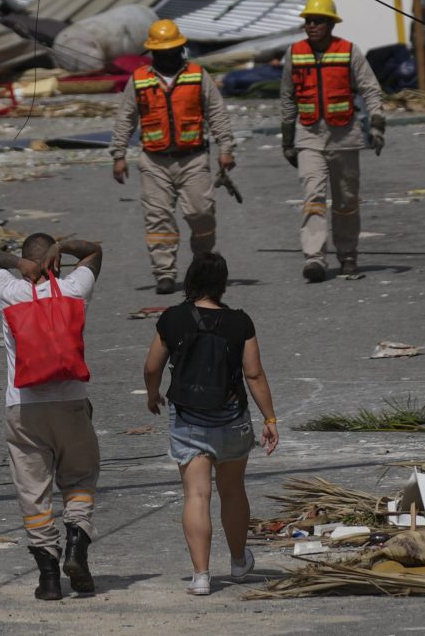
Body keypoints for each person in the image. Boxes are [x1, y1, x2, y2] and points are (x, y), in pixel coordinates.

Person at [143, 252, 279, 594]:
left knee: (197, 494)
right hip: (232, 417)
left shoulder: (172, 319)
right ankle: (237, 562)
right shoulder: (239, 322)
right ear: (222, 285)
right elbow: (254, 373)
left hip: (188, 418)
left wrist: (152, 393)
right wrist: (270, 418)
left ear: (189, 280)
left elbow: (151, 367)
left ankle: (201, 577)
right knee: (232, 491)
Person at [0, 231, 105, 600]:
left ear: (24, 263)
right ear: (55, 262)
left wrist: (17, 264)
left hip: (23, 406)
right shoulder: (73, 289)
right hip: (71, 401)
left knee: (33, 492)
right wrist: (65, 246)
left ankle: (49, 578)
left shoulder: (9, 291)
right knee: (80, 477)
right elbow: (95, 250)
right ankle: (75, 545)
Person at [112, 18, 234, 295]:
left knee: (202, 213)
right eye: (161, 51)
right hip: (154, 161)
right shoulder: (140, 79)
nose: (167, 56)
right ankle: (164, 273)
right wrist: (118, 155)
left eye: (171, 50)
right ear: (153, 52)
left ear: (180, 49)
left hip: (193, 158)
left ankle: (202, 266)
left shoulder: (197, 75)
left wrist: (225, 149)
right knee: (158, 218)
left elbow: (217, 112)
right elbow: (125, 118)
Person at [278, 0, 387, 282]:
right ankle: (314, 259)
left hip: (345, 135)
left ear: (331, 24)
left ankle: (348, 255)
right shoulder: (294, 53)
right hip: (309, 135)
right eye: (308, 21)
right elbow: (288, 97)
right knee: (313, 197)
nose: (311, 25)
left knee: (346, 201)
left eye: (318, 21)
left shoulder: (349, 51)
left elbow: (370, 89)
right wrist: (287, 138)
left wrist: (377, 124)